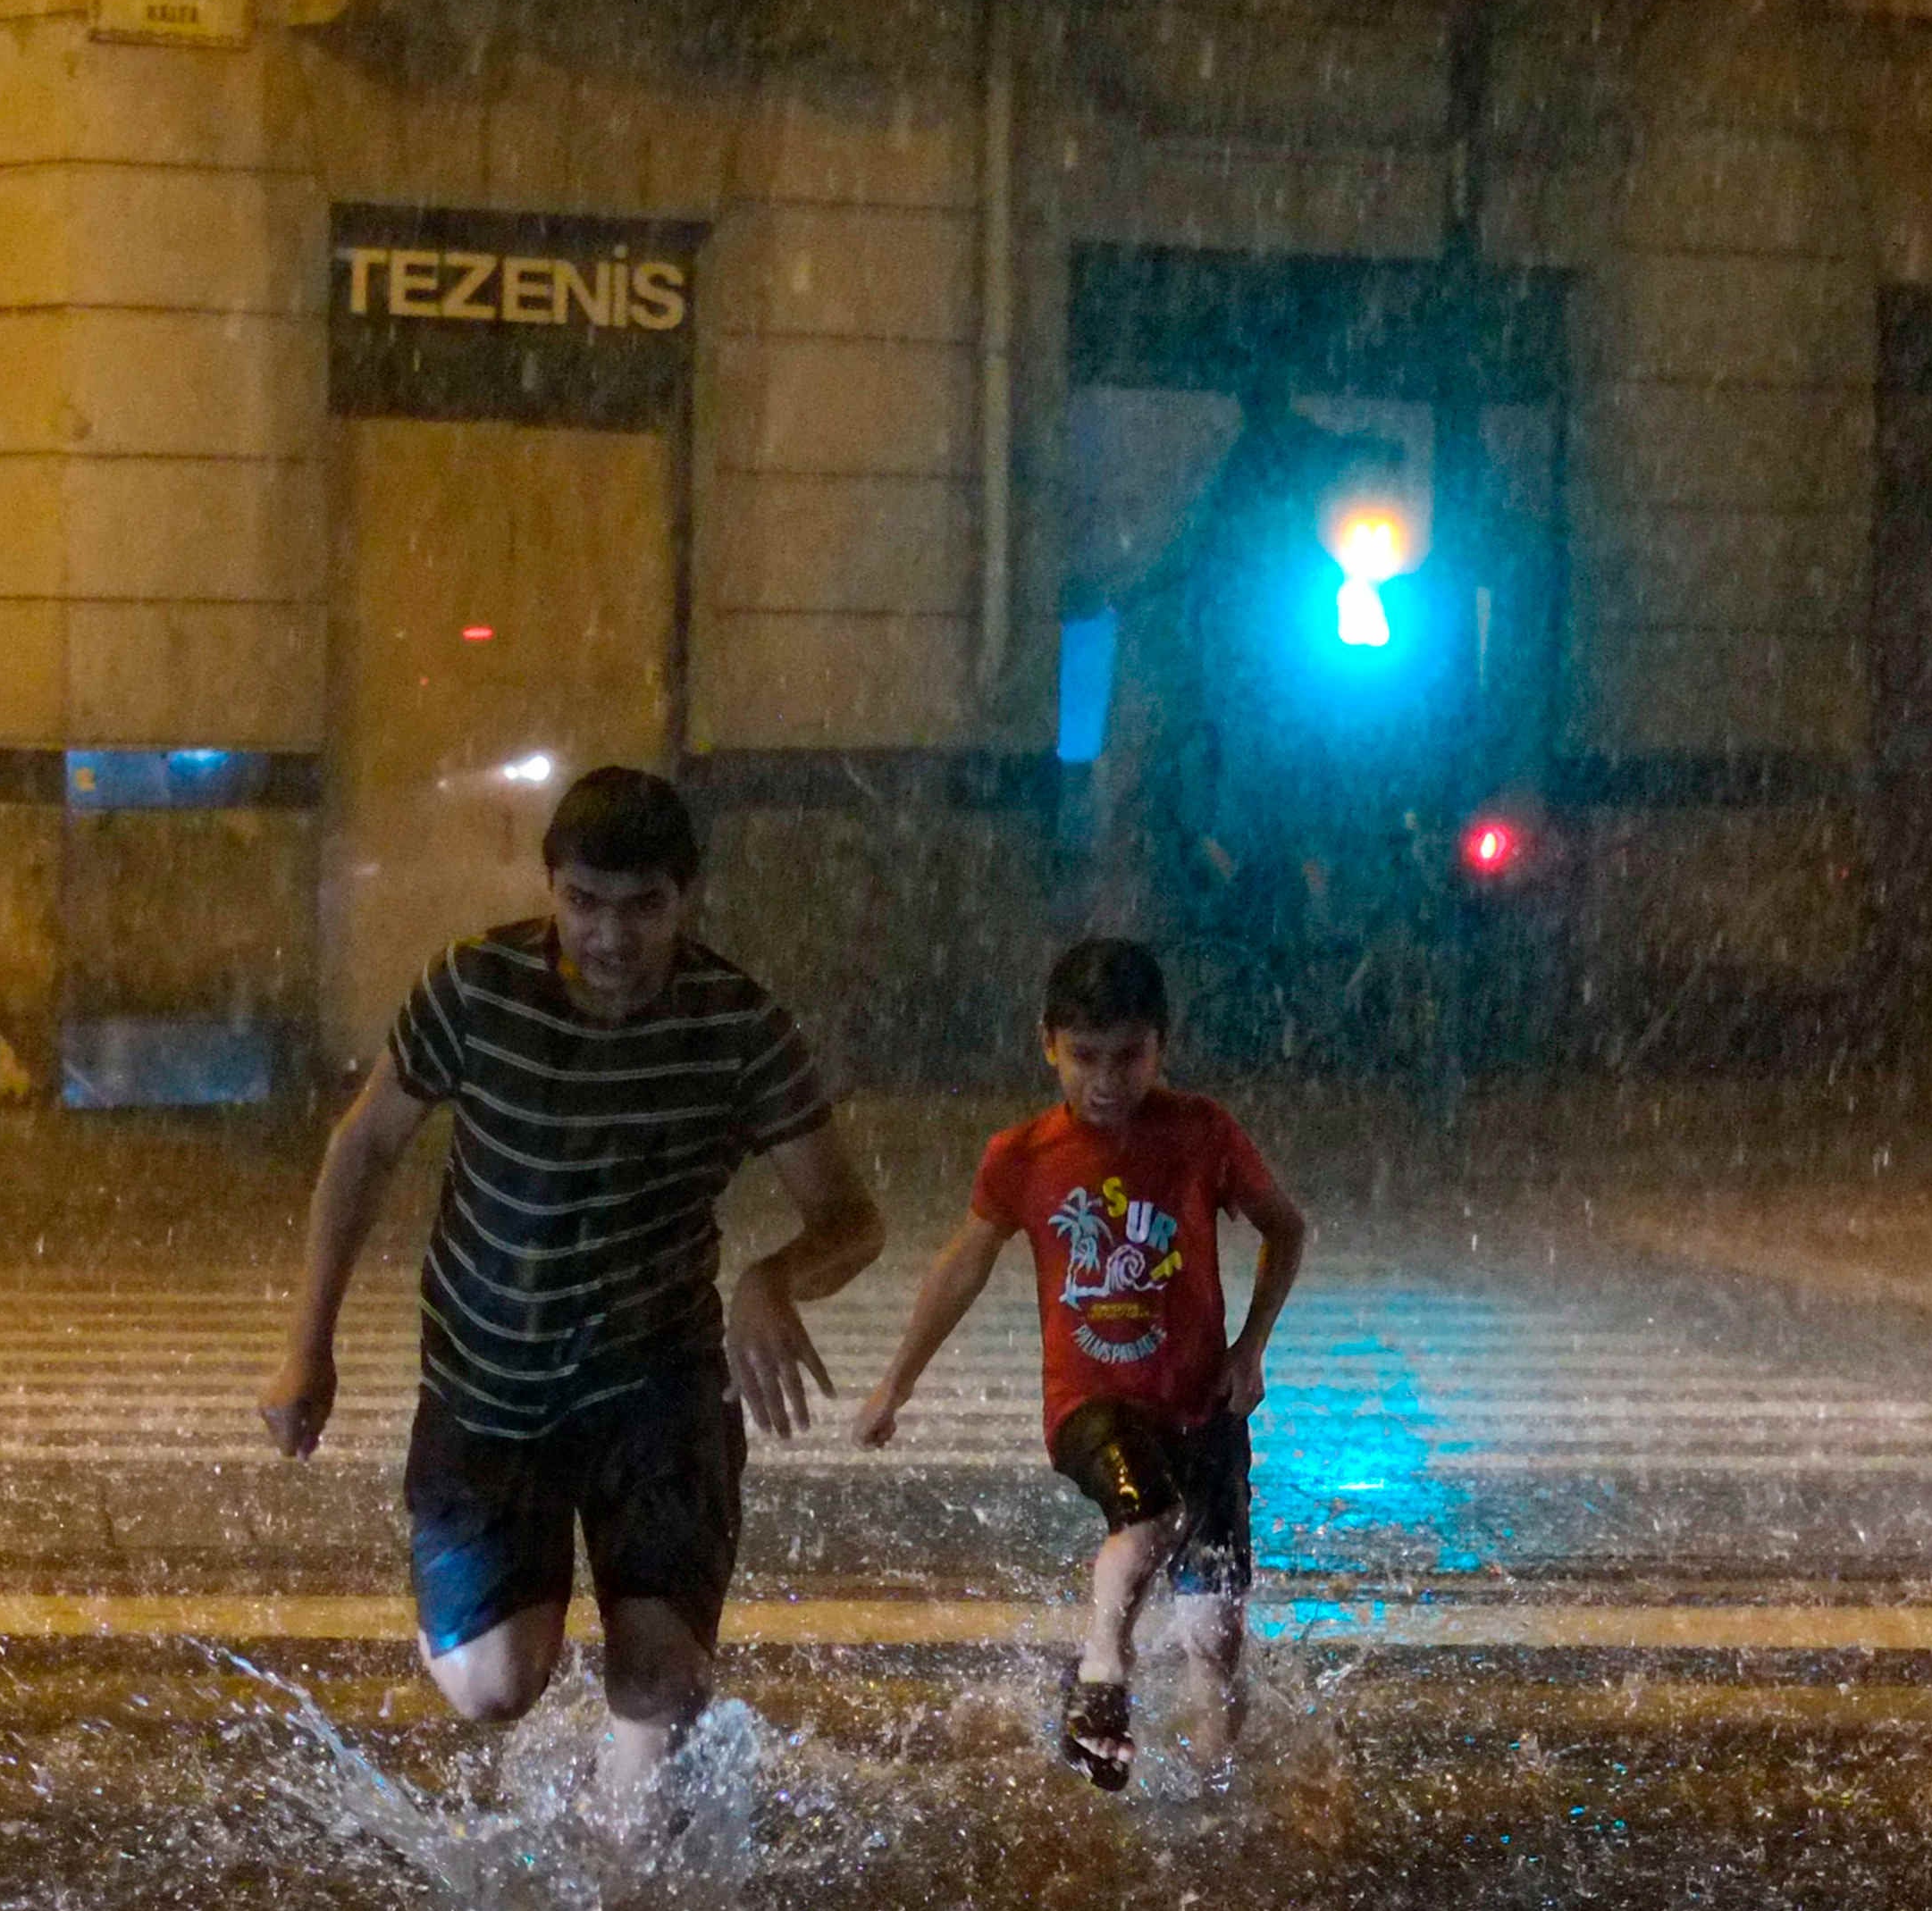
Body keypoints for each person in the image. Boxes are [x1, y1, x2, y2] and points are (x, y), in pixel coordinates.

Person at [254, 767, 886, 1819]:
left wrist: (774, 1278)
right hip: (488, 1386)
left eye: (644, 907)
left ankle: (629, 1877)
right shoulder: (476, 988)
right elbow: (364, 1148)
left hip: (656, 1383)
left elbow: (852, 1217)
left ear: (686, 899)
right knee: (494, 1686)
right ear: (550, 886)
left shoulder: (737, 1025)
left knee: (659, 1682)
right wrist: (306, 1346)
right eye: (585, 902)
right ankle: (523, 1637)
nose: (611, 936)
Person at [849, 937, 1308, 1789]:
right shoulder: (1024, 1155)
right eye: (1084, 1056)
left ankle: (1212, 1793)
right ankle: (1101, 1672)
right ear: (1048, 1044)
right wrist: (895, 1382)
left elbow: (1287, 1227)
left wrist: (1251, 1346)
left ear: (1161, 1045)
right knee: (1147, 1513)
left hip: (1204, 1406)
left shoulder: (1202, 1133)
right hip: (1091, 1402)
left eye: (1128, 1056)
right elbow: (963, 1265)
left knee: (1216, 1642)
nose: (1105, 1081)